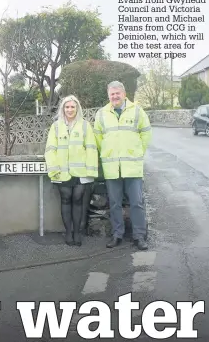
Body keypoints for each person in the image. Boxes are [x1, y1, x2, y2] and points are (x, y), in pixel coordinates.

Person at [93, 81, 152, 250]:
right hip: (112, 167)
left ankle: (139, 236)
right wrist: (107, 152)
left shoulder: (137, 111)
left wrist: (138, 151)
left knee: (136, 203)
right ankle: (117, 234)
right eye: (112, 94)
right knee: (115, 204)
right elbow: (98, 138)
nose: (115, 96)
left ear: (124, 94)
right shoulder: (102, 114)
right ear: (108, 96)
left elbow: (146, 132)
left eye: (117, 93)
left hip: (132, 166)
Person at [45, 95, 98, 246]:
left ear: (77, 108)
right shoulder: (56, 126)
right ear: (63, 109)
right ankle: (68, 232)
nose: (70, 110)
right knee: (66, 199)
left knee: (78, 200)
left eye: (72, 107)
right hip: (62, 172)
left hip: (80, 172)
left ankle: (77, 232)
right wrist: (54, 169)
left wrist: (90, 171)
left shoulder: (85, 126)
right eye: (67, 107)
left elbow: (91, 148)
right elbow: (50, 150)